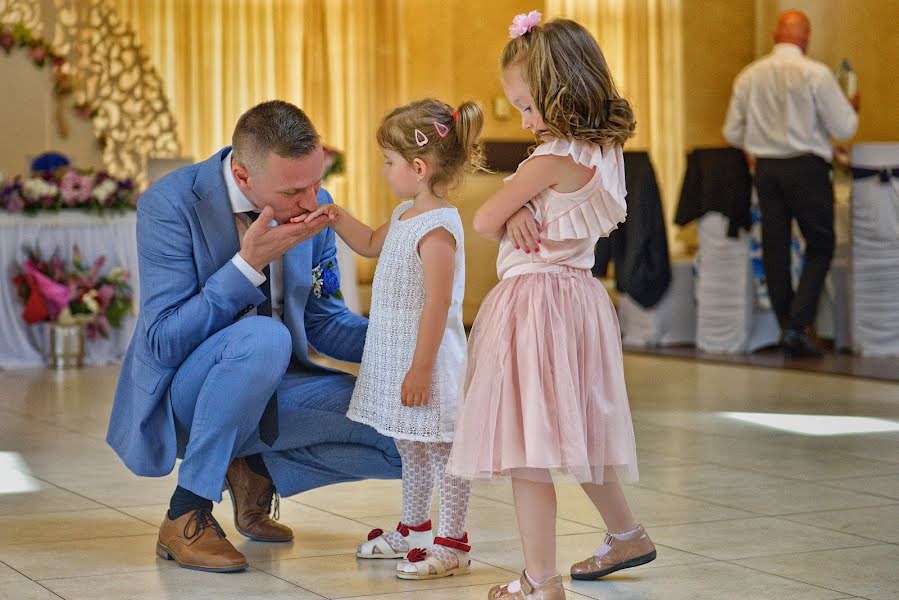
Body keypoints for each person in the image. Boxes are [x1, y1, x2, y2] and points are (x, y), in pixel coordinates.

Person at [106, 100, 402, 573]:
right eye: (294, 191)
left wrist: (418, 343)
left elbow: (325, 323)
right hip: (188, 395)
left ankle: (254, 471)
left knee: (414, 439)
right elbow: (163, 341)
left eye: (316, 182)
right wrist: (246, 267)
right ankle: (187, 512)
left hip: (279, 388)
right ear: (243, 176)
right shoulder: (170, 203)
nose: (312, 202)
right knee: (263, 337)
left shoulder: (316, 206)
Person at [447, 12, 655, 600]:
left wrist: (510, 208)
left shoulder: (549, 159)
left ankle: (540, 580)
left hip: (535, 301)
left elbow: (485, 218)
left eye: (528, 106)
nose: (524, 119)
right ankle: (626, 533)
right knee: (578, 430)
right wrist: (521, 206)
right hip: (582, 298)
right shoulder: (607, 148)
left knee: (526, 446)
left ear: (564, 93)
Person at [300, 98, 485, 580]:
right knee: (410, 446)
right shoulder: (406, 212)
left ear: (419, 167)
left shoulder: (439, 227)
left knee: (444, 450)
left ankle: (453, 541)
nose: (384, 170)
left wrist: (421, 367)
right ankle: (415, 528)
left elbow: (439, 303)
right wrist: (330, 213)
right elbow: (367, 243)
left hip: (426, 360)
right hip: (399, 354)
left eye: (389, 162)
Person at [723, 9, 859, 357]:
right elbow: (844, 129)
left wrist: (758, 145)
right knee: (821, 244)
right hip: (807, 169)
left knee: (776, 249)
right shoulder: (815, 73)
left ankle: (789, 325)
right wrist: (851, 107)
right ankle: (799, 325)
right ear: (806, 39)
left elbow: (731, 132)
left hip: (767, 170)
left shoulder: (749, 76)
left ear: (774, 36)